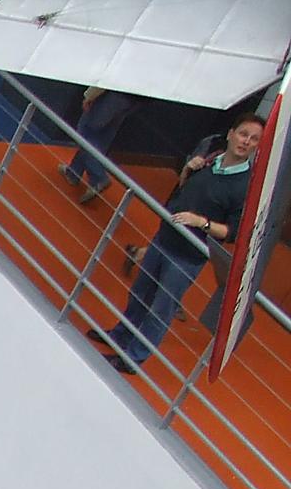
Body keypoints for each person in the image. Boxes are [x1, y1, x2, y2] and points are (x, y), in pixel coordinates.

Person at [90, 113, 263, 371]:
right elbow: (184, 190)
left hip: (188, 256)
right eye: (243, 134)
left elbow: (233, 232)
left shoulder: (245, 187)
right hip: (164, 238)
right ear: (231, 134)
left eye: (253, 139)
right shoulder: (210, 160)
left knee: (162, 307)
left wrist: (201, 222)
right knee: (140, 293)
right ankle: (120, 336)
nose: (246, 141)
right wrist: (187, 170)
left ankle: (133, 358)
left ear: (257, 147)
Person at [61, 88, 138, 203]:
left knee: (85, 132)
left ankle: (98, 177)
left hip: (113, 93)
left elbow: (109, 76)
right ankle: (74, 172)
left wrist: (89, 95)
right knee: (102, 136)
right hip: (133, 99)